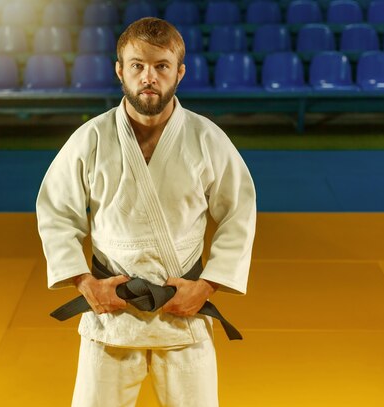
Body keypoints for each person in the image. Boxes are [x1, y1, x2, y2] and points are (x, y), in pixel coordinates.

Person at [36, 17, 256, 407]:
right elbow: (56, 211)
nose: (148, 77)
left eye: (161, 66)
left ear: (179, 72)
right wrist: (86, 284)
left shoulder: (207, 138)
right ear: (120, 70)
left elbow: (239, 212)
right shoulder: (92, 138)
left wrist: (206, 287)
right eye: (137, 65)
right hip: (111, 316)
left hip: (183, 312)